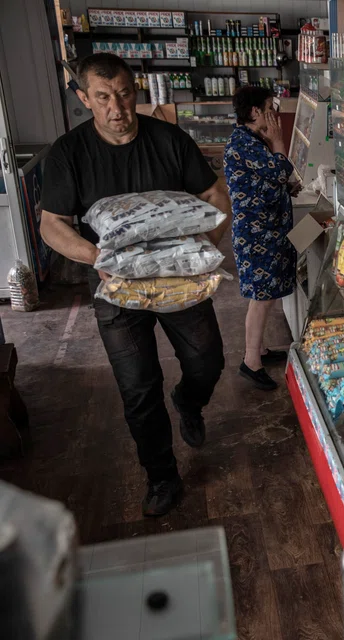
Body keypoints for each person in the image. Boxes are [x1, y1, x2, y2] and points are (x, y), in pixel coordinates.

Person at [40, 53, 231, 517]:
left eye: (124, 94)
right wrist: (96, 258)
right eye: (103, 97)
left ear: (136, 91)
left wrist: (196, 252)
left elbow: (213, 197)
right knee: (138, 387)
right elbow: (52, 224)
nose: (117, 108)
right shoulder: (69, 154)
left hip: (177, 282)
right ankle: (162, 477)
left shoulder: (169, 139)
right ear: (85, 99)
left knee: (207, 360)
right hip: (117, 289)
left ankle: (188, 400)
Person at [224, 86, 300, 391]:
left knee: (264, 296)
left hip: (264, 231)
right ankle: (251, 361)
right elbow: (280, 169)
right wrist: (280, 142)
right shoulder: (246, 143)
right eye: (270, 107)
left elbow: (267, 181)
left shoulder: (252, 140)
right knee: (261, 298)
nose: (275, 112)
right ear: (256, 112)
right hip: (258, 234)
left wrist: (284, 188)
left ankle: (260, 349)